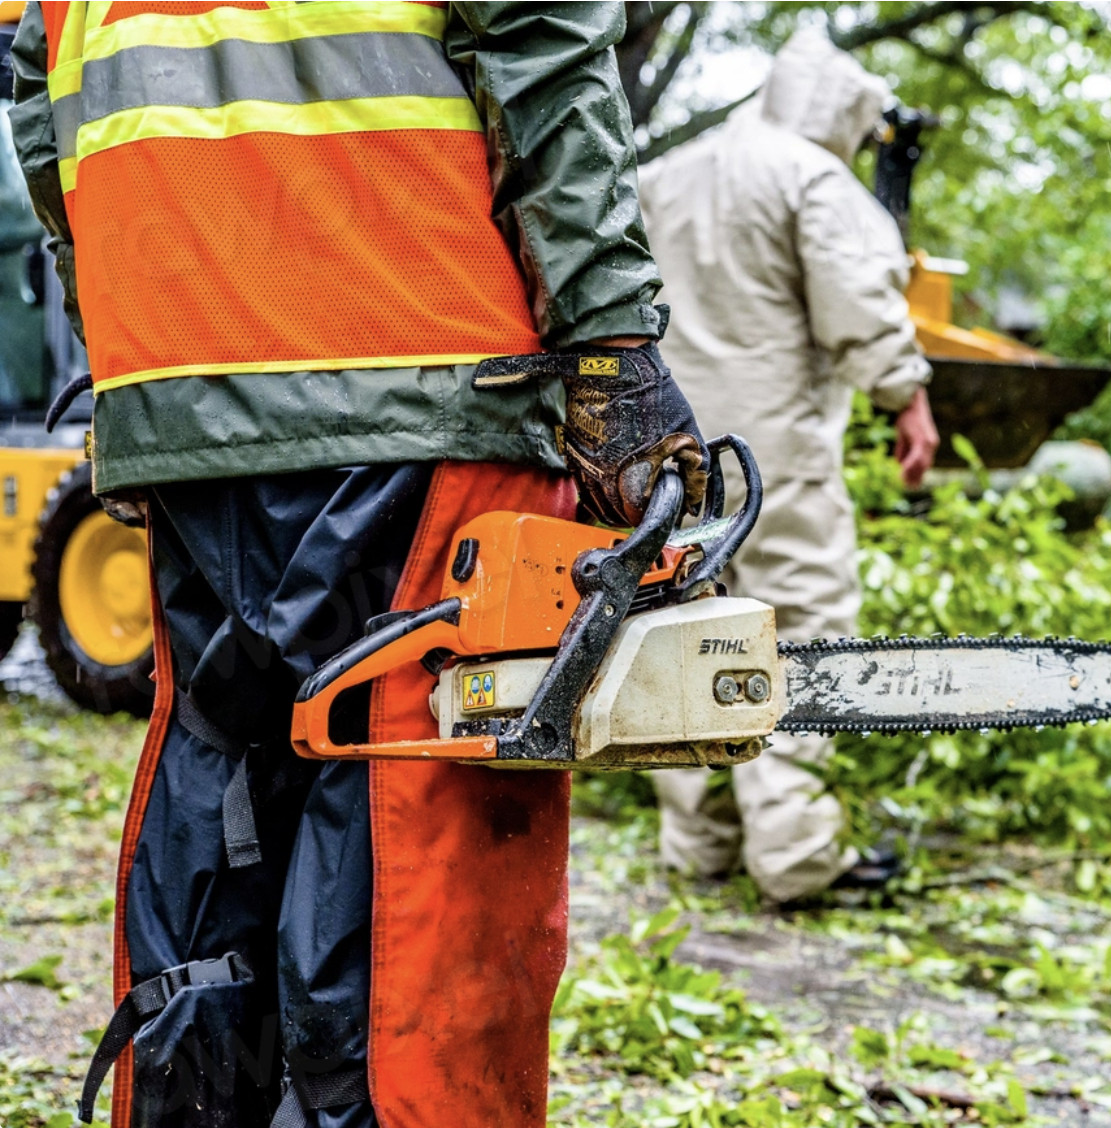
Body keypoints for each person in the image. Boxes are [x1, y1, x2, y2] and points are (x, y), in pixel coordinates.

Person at [9, 4, 707, 1126]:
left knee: (225, 789)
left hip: (182, 368)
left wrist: (121, 364)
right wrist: (610, 344)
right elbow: (537, 35)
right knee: (411, 825)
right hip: (419, 348)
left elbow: (42, 93)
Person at [639, 29, 940, 904]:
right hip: (776, 456)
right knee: (802, 635)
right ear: (844, 113)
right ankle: (799, 856)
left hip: (672, 457)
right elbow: (860, 303)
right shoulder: (810, 174)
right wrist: (907, 395)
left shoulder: (671, 172)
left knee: (681, 632)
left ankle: (698, 849)